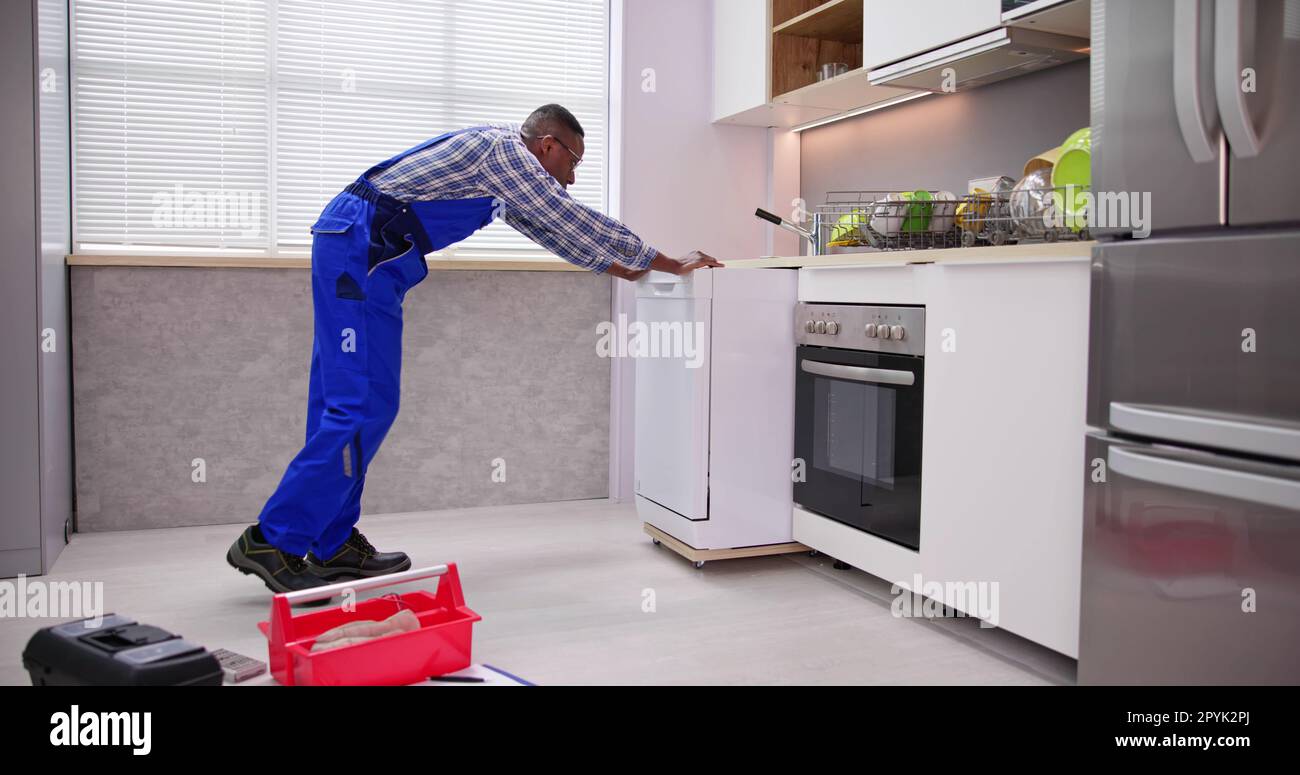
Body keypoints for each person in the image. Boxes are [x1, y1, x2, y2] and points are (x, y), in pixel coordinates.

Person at [227, 104, 723, 594]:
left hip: (369, 260)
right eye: (572, 162)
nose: (570, 178)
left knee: (371, 401)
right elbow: (573, 218)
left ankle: (330, 542)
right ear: (547, 146)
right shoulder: (507, 153)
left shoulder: (504, 173)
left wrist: (634, 271)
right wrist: (670, 261)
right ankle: (274, 540)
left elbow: (553, 233)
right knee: (354, 404)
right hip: (358, 251)